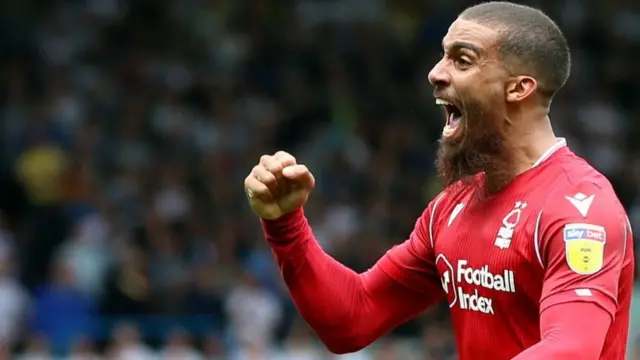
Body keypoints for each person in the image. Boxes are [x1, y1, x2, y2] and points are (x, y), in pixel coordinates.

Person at [243, 2, 635, 359]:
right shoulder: (452, 207)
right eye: (442, 56)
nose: (435, 73)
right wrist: (286, 226)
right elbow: (352, 318)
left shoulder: (581, 210)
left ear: (518, 88)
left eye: (462, 61)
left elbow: (572, 349)